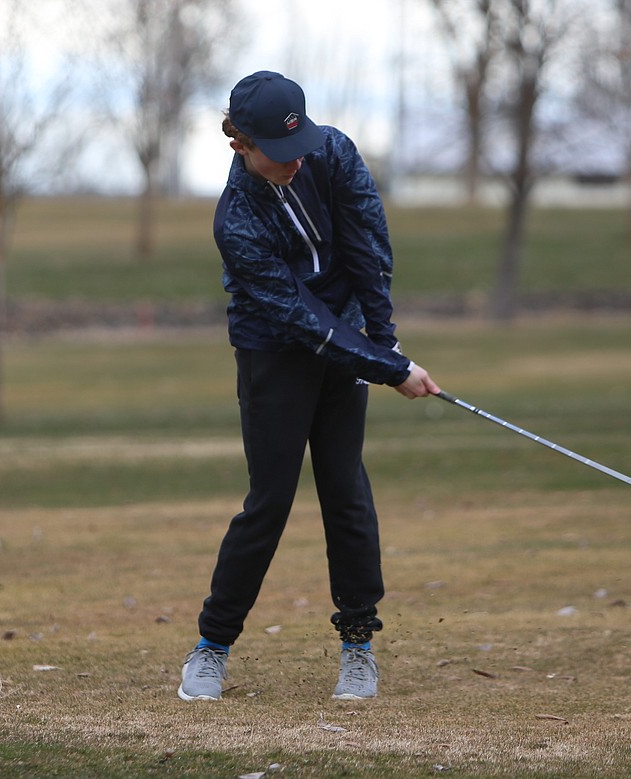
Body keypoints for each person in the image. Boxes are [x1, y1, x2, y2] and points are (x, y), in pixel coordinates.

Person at [178, 71, 440, 703]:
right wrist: (386, 367)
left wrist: (385, 338)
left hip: (347, 334)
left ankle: (358, 647)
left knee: (345, 489)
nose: (295, 161)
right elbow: (298, 315)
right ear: (240, 143)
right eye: (278, 151)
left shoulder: (332, 152)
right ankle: (212, 646)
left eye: (300, 145)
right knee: (269, 501)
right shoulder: (235, 218)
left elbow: (366, 246)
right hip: (274, 351)